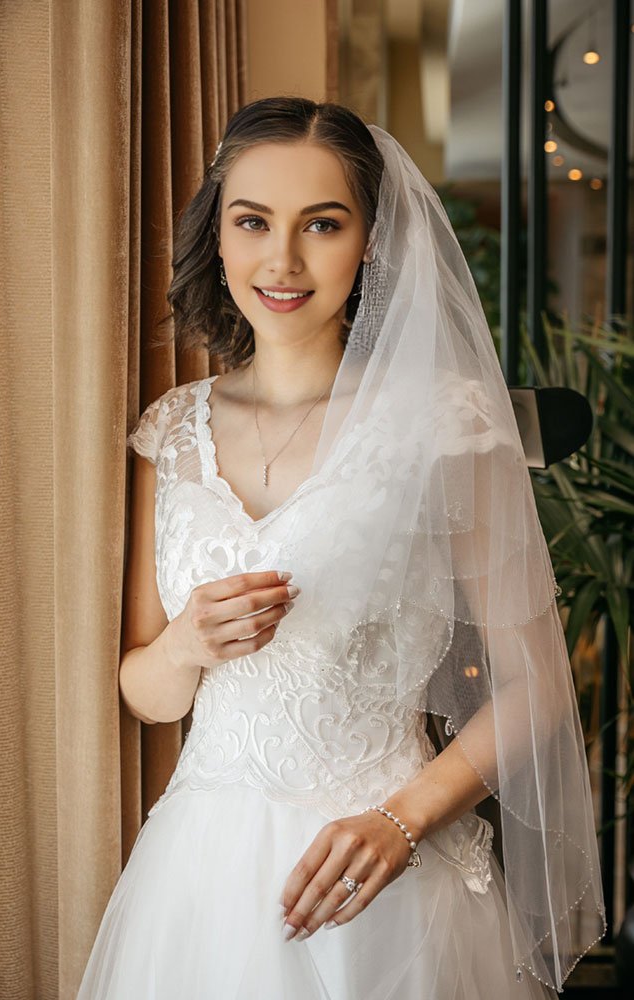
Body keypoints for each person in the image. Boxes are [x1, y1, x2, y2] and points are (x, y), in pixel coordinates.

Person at [77, 96, 605, 999]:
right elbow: (143, 692)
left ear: (370, 241)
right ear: (221, 236)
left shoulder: (443, 425)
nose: (281, 261)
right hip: (199, 882)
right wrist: (187, 645)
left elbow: (539, 686)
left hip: (384, 874)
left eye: (321, 224)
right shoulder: (170, 433)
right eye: (252, 222)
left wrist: (400, 823)